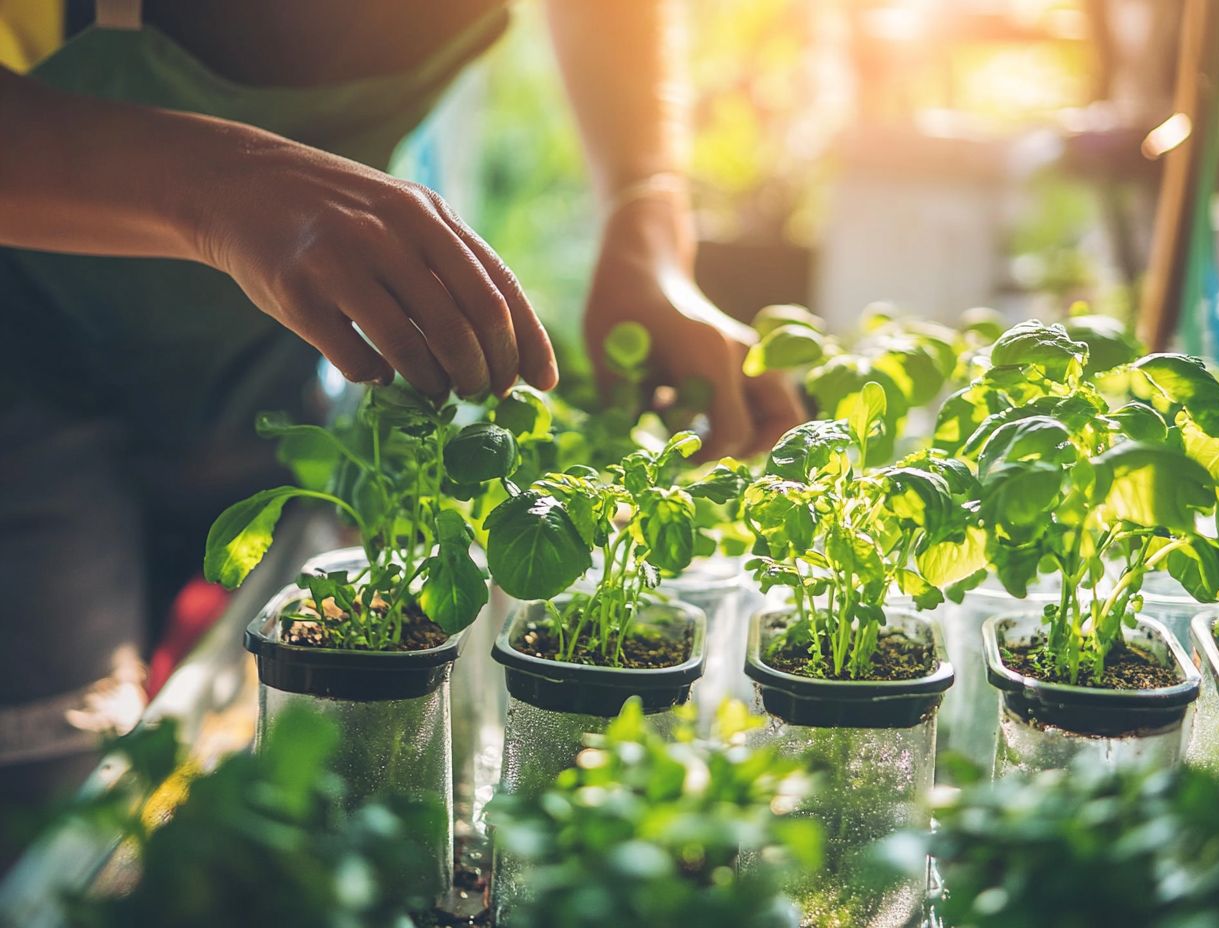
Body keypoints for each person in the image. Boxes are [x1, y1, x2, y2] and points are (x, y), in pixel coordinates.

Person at [0, 0, 804, 803]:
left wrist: (645, 215)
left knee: (227, 744)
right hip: (18, 348)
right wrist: (224, 185)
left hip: (263, 348)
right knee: (50, 804)